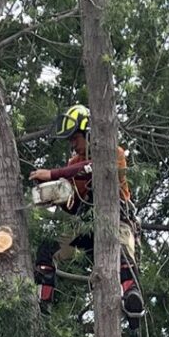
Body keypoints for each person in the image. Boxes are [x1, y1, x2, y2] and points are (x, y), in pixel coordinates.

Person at [29, 103, 144, 324]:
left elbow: (97, 167)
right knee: (47, 249)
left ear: (88, 131)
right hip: (87, 229)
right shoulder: (74, 162)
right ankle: (42, 303)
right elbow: (74, 205)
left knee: (121, 253)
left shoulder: (115, 153)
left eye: (75, 138)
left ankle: (132, 298)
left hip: (117, 223)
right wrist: (58, 197)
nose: (73, 144)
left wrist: (52, 174)